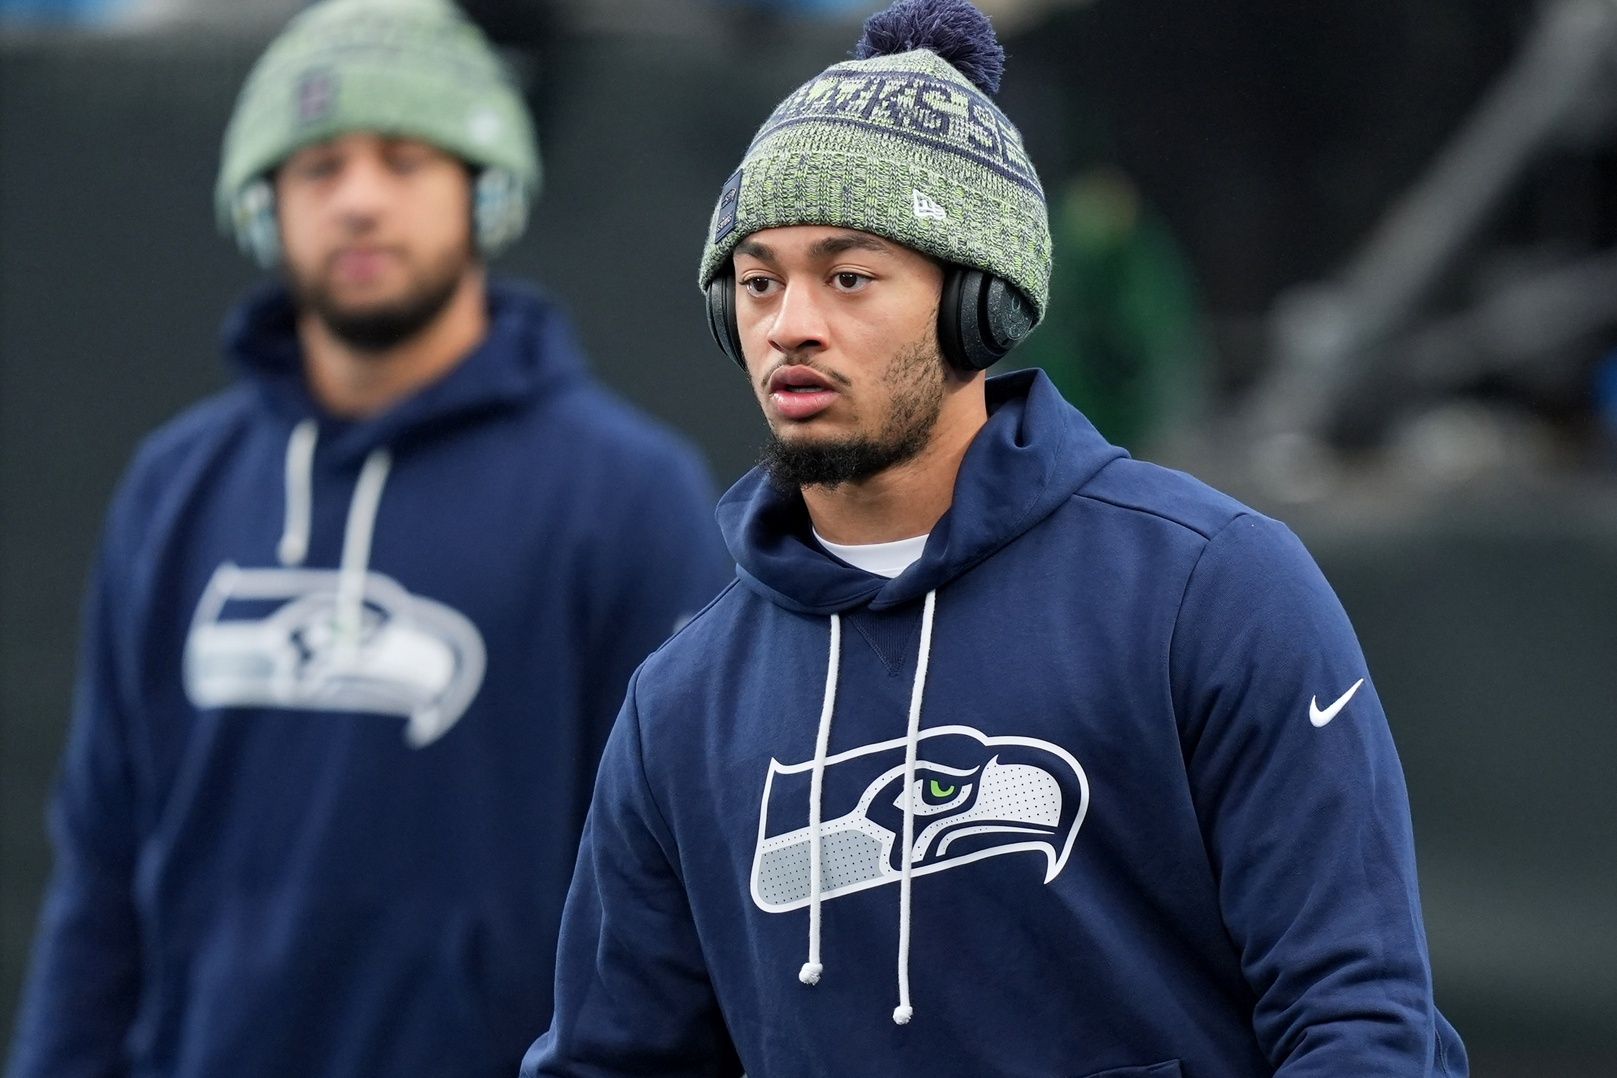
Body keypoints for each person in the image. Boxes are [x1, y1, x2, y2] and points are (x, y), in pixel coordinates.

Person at [523, 0, 1469, 1074]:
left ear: (978, 305)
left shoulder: (1214, 589)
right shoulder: (681, 702)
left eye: (848, 275)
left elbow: (1358, 1019)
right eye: (757, 280)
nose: (789, 321)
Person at [5, 0, 731, 1074]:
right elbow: (104, 870)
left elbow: (687, 885)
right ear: (262, 206)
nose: (357, 200)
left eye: (403, 160)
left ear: (486, 190)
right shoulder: (176, 487)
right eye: (317, 167)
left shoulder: (626, 495)